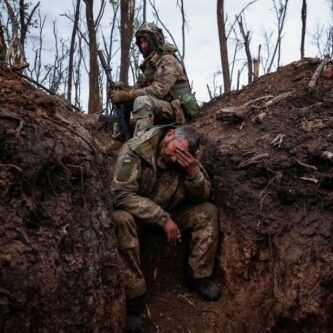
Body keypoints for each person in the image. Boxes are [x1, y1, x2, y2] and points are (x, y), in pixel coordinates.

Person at [112, 125, 221, 332]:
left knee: (207, 211)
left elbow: (203, 197)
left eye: (180, 157)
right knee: (119, 219)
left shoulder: (188, 157)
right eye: (174, 152)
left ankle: (198, 276)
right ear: (169, 135)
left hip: (171, 212)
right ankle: (133, 299)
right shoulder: (135, 150)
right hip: (139, 216)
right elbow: (120, 194)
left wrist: (192, 172)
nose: (174, 160)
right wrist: (162, 218)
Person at [109, 22, 198, 138]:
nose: (143, 46)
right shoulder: (149, 65)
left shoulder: (168, 60)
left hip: (175, 109)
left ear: (154, 40)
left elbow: (159, 90)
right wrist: (123, 89)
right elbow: (137, 89)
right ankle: (119, 139)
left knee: (142, 100)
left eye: (145, 41)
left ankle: (140, 144)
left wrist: (127, 95)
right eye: (140, 43)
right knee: (124, 99)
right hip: (159, 106)